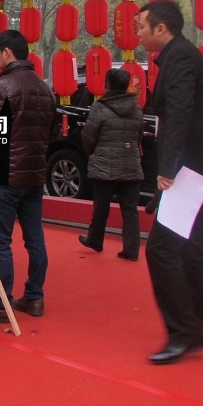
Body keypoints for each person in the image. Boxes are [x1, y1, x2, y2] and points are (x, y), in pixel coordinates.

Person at [136, 0, 203, 364]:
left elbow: (178, 116)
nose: (138, 33)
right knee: (193, 247)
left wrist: (168, 170)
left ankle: (184, 331)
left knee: (161, 249)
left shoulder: (180, 58)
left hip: (190, 168)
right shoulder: (179, 55)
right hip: (195, 164)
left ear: (161, 28)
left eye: (142, 26)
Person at [0, 29, 57, 322]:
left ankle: (1, 303)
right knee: (35, 238)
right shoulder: (44, 88)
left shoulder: (3, 86)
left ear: (7, 52)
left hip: (6, 173)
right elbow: (53, 132)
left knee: (1, 242)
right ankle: (34, 297)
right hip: (34, 174)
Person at [78, 66, 143, 261]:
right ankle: (131, 249)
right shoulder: (136, 108)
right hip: (131, 164)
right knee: (130, 210)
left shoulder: (99, 107)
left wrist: (94, 152)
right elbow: (139, 136)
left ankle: (95, 239)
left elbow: (88, 136)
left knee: (101, 206)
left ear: (107, 85)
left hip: (105, 165)